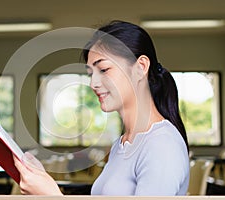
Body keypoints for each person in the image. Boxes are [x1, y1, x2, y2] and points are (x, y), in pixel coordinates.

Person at [13, 20, 190, 196]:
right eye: (91, 74)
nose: (93, 83)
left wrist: (52, 196)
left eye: (104, 70)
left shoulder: (161, 144)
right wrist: (44, 182)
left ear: (141, 67)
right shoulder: (121, 145)